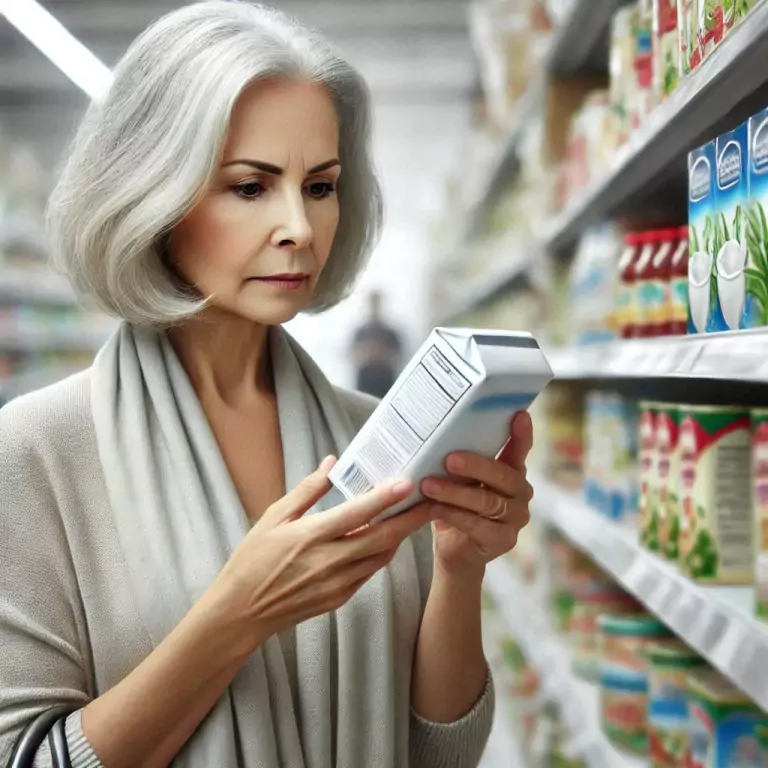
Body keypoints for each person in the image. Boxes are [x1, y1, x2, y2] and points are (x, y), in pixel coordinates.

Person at [0, 3, 535, 767]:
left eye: (320, 186)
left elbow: (437, 754)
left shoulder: (373, 433)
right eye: (251, 188)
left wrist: (458, 565)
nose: (301, 228)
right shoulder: (35, 451)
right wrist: (236, 615)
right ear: (155, 196)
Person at [350, 290, 403, 398]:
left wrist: (381, 355)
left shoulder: (391, 333)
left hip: (385, 382)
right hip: (365, 382)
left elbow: (399, 357)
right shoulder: (360, 333)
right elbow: (352, 355)